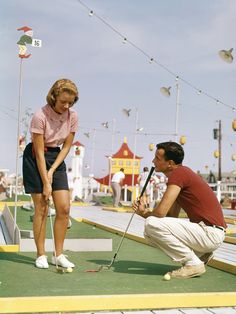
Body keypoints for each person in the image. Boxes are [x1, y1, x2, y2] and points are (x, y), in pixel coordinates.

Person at [133, 142, 226, 279]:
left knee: (151, 224)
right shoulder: (181, 173)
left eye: (157, 159)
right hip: (211, 233)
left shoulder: (178, 174)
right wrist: (145, 212)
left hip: (209, 234)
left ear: (170, 163)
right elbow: (171, 216)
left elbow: (160, 214)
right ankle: (201, 254)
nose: (153, 161)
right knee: (151, 231)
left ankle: (193, 263)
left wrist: (144, 212)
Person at [23, 78, 79, 269]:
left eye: (70, 102)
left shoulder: (73, 116)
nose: (66, 106)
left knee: (63, 208)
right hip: (36, 157)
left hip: (57, 158)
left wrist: (53, 170)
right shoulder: (40, 116)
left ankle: (59, 254)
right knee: (42, 208)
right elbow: (39, 152)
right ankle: (41, 255)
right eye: (63, 101)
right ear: (54, 97)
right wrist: (46, 182)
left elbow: (67, 146)